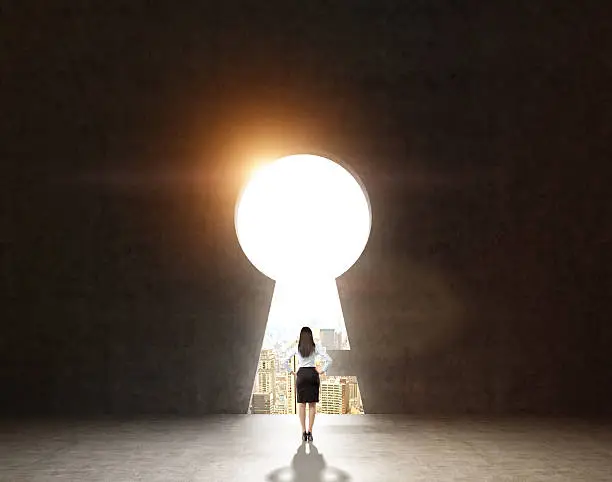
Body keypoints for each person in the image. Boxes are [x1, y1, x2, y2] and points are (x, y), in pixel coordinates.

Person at [283, 326, 333, 442]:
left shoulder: (297, 347)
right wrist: (322, 370)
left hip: (301, 375)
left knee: (301, 405)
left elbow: (284, 361)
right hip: (312, 374)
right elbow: (329, 360)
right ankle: (310, 432)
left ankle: (303, 432)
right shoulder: (316, 347)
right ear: (311, 336)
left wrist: (292, 372)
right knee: (312, 405)